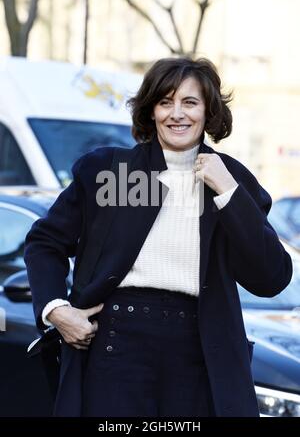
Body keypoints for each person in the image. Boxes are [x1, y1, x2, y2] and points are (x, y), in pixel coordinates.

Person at [24, 57, 292, 417]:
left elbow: (271, 278)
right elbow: (45, 242)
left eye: (190, 102)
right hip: (115, 350)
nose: (176, 114)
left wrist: (227, 188)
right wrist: (56, 310)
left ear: (208, 111)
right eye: (165, 102)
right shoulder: (111, 173)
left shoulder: (232, 180)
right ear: (150, 110)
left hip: (199, 355)